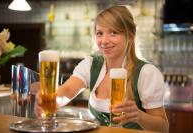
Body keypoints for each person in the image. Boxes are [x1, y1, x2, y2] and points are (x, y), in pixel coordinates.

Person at [34, 5, 169, 133]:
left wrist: (139, 116)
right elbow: (67, 91)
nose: (104, 41)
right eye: (100, 33)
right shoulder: (91, 65)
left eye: (113, 32)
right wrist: (51, 100)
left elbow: (163, 128)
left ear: (130, 35)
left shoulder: (146, 73)